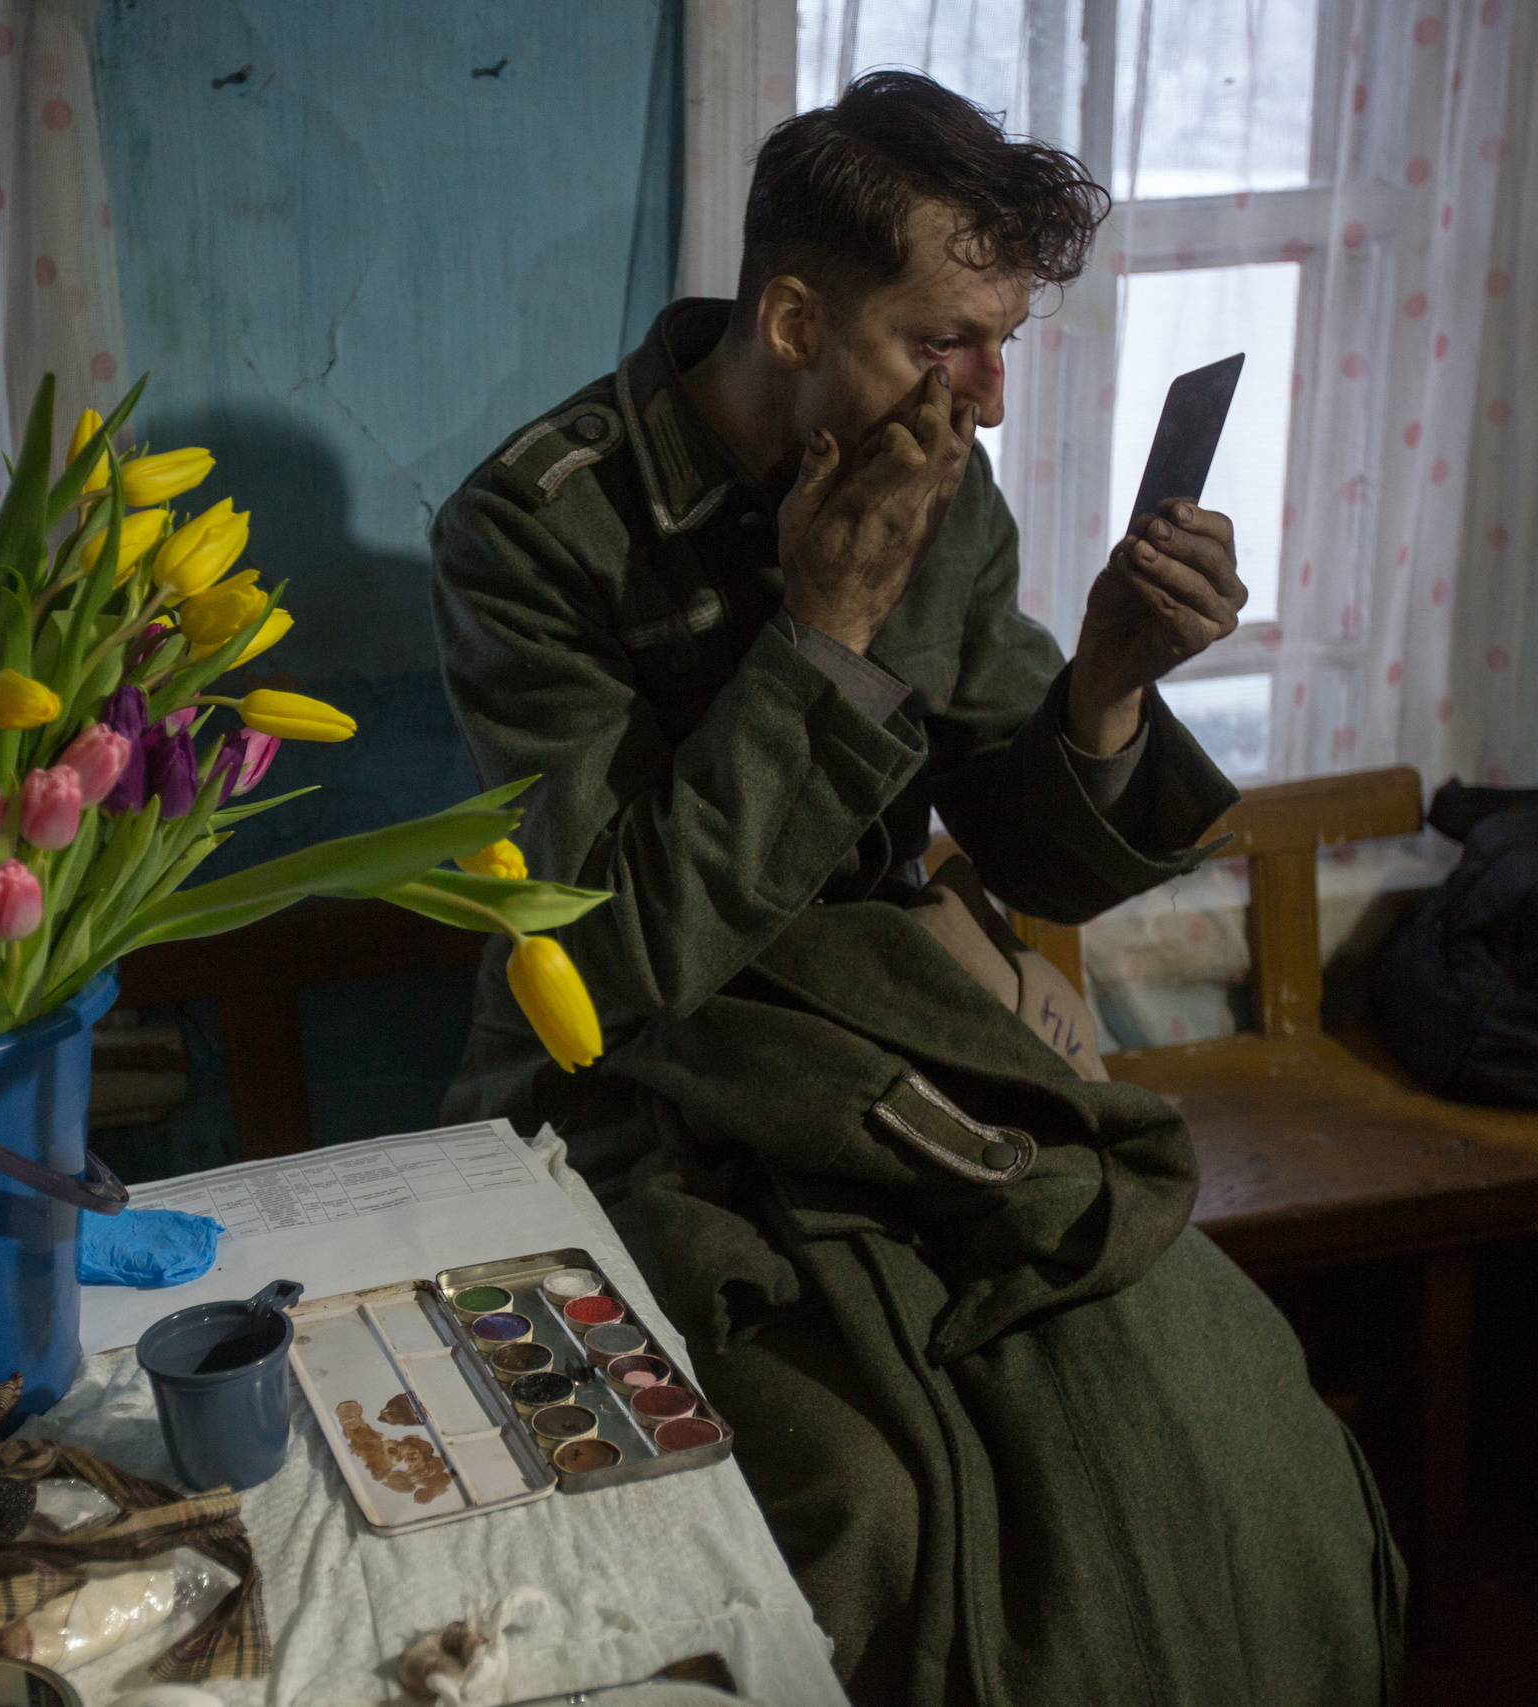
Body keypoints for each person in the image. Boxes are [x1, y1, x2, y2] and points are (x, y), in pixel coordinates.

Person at [431, 69, 1401, 1707]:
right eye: (949, 340)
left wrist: (1102, 681)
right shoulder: (533, 534)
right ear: (797, 317)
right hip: (642, 1099)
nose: (991, 399)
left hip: (895, 1051)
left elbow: (1027, 846)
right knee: (879, 1504)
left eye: (1006, 342)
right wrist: (821, 638)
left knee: (1222, 1406)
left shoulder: (941, 477)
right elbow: (616, 952)